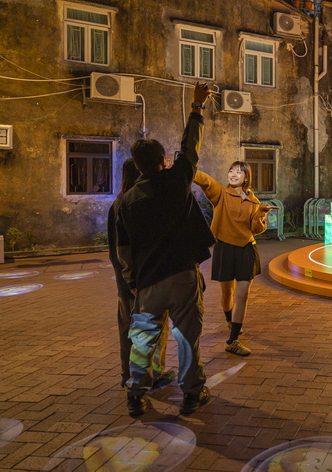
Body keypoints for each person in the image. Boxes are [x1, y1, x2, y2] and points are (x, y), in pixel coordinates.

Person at [115, 82, 216, 417]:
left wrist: (132, 281)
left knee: (143, 339)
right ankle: (192, 394)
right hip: (183, 275)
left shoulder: (126, 201)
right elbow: (190, 147)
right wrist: (196, 107)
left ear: (136, 165)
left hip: (147, 282)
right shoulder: (177, 180)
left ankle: (136, 395)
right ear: (163, 160)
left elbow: (124, 249)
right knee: (187, 336)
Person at [193, 162, 278, 356]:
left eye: (238, 172)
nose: (233, 174)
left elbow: (256, 229)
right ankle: (230, 321)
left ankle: (232, 340)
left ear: (246, 177)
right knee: (227, 294)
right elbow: (206, 181)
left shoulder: (254, 202)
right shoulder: (221, 194)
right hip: (225, 249)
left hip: (246, 249)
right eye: (231, 171)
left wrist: (261, 213)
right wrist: (188, 169)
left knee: (242, 295)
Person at [107, 158, 174, 390]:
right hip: (145, 281)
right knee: (153, 329)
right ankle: (150, 375)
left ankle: (128, 375)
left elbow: (115, 250)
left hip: (125, 283)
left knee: (128, 329)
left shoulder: (118, 204)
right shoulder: (138, 204)